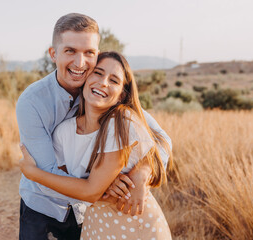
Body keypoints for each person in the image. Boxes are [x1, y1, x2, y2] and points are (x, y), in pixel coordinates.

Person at [16, 13, 171, 240]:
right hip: (42, 205)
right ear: (53, 54)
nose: (80, 63)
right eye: (70, 51)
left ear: (96, 54)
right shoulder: (32, 102)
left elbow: (160, 139)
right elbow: (48, 173)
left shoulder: (102, 91)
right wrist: (101, 186)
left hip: (85, 213)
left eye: (89, 53)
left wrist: (140, 175)